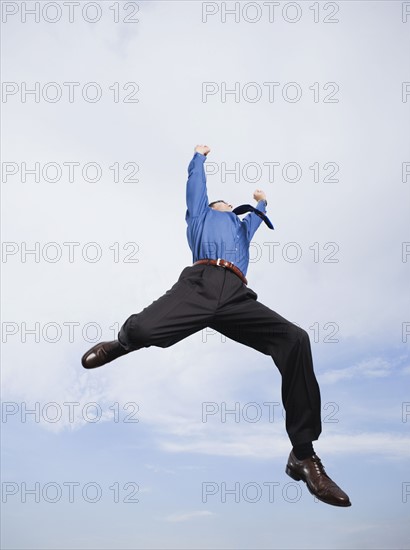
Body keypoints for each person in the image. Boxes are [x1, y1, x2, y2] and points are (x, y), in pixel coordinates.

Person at [81, 145, 351, 507]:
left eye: (230, 206)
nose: (225, 206)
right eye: (219, 204)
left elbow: (255, 217)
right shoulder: (200, 217)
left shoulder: (241, 229)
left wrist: (262, 202)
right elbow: (197, 188)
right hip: (200, 282)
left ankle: (303, 455)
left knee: (295, 339)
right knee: (144, 331)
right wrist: (198, 157)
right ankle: (122, 343)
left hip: (237, 294)